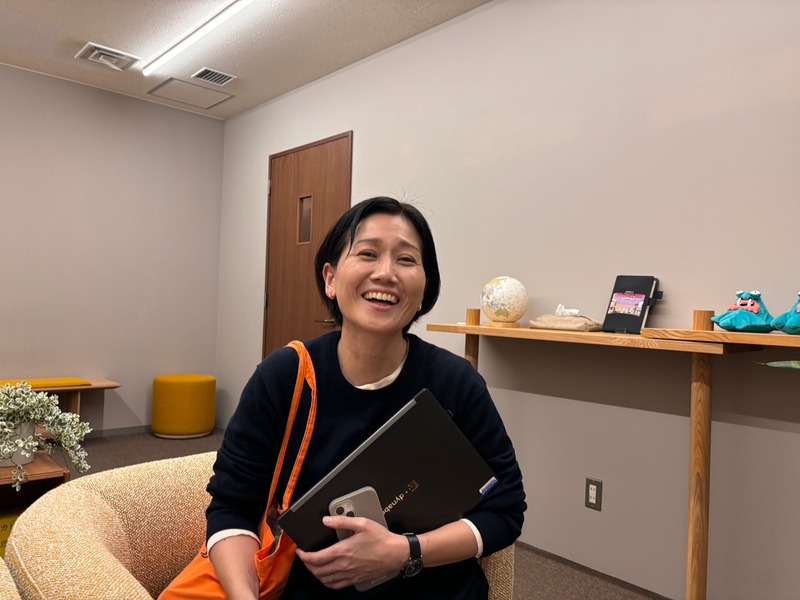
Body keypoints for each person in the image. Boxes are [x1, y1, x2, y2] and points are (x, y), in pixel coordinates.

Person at [205, 196, 526, 599]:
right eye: (368, 254)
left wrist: (405, 551)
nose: (386, 273)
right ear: (330, 278)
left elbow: (505, 507)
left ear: (424, 289)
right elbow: (232, 507)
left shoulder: (457, 382)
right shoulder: (284, 376)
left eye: (406, 260)